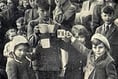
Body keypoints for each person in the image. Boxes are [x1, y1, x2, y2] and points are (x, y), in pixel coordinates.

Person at [95, 5, 118, 73]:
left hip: (114, 59)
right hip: (101, 60)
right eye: (105, 15)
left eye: (109, 15)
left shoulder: (117, 30)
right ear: (101, 16)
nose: (107, 18)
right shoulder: (98, 30)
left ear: (113, 16)